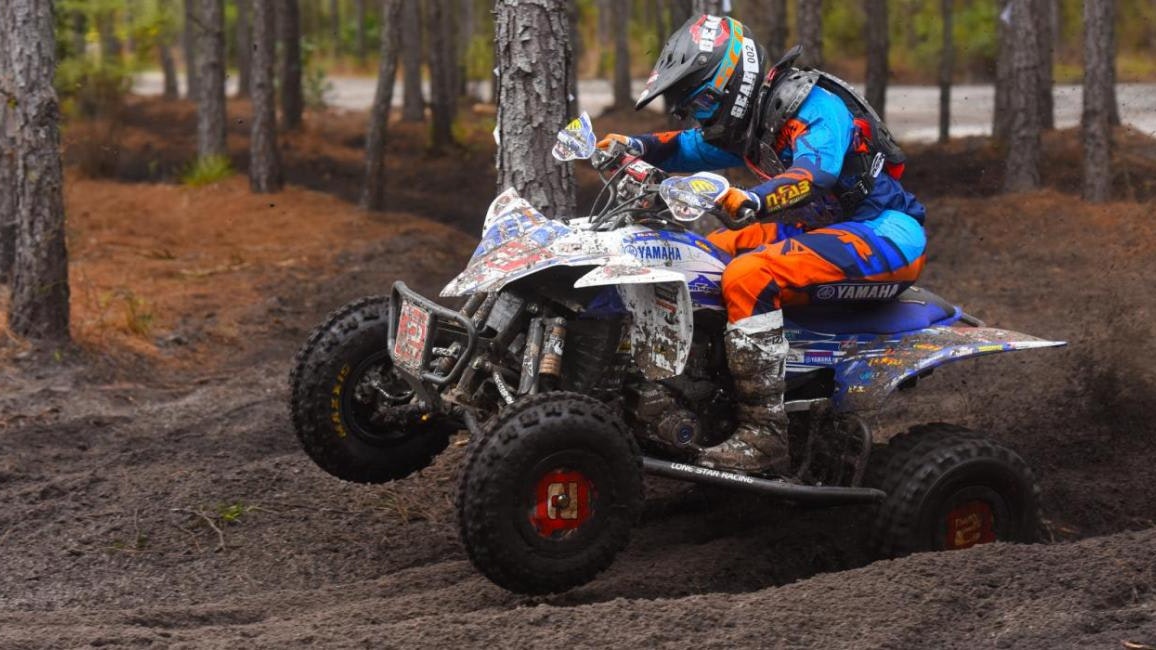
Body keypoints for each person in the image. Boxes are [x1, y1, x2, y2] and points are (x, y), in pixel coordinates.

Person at [599, 15, 927, 476]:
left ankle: (764, 434)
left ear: (730, 82)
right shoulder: (752, 123)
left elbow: (818, 173)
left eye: (704, 103)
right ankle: (705, 392)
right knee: (701, 253)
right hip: (817, 227)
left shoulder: (813, 104)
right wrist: (634, 145)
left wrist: (753, 198)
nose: (702, 116)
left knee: (749, 275)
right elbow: (688, 148)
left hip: (884, 229)